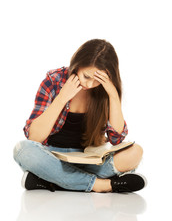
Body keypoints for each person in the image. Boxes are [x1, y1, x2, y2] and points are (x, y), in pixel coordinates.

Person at [13, 39, 147, 193]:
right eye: (86, 76)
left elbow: (116, 138)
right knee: (22, 150)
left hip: (89, 159)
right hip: (52, 157)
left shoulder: (105, 90)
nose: (89, 85)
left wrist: (113, 95)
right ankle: (102, 185)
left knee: (135, 152)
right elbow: (34, 137)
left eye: (97, 80)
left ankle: (53, 181)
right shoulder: (54, 80)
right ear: (77, 65)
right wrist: (62, 97)